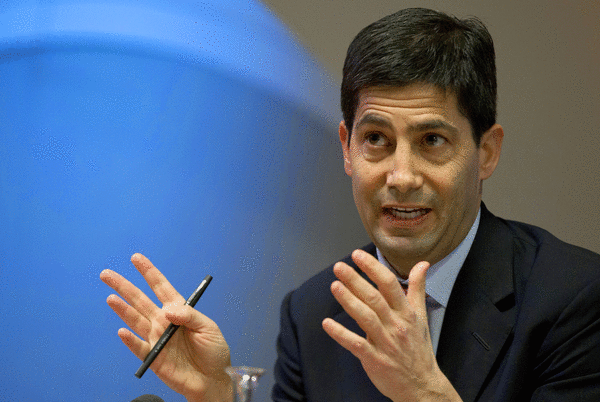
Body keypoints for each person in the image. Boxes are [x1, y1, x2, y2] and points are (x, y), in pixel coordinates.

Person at [100, 7, 600, 402]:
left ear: (486, 152)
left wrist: (424, 393)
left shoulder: (575, 300)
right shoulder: (314, 313)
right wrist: (218, 395)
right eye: (376, 139)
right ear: (346, 147)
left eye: (432, 141)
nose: (401, 177)